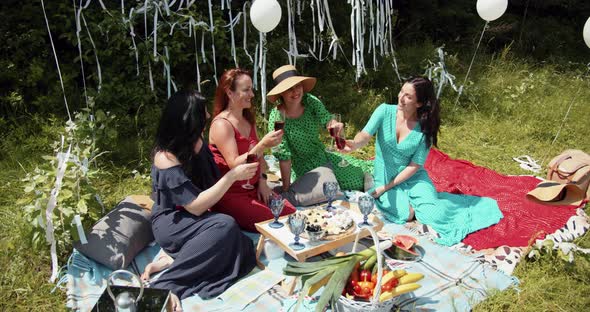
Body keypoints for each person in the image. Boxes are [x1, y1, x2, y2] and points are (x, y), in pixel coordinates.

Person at [341, 77, 503, 246]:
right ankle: (381, 187)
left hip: (412, 177)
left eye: (408, 96)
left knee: (433, 216)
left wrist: (384, 188)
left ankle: (436, 202)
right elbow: (365, 135)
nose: (400, 98)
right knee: (406, 214)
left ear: (419, 103)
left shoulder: (425, 127)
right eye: (401, 92)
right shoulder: (384, 111)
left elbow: (415, 166)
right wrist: (354, 144)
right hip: (386, 173)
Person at [150, 90, 257, 309]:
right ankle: (165, 285)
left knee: (240, 242)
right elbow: (196, 206)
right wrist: (232, 176)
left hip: (197, 215)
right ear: (191, 119)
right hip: (173, 221)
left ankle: (182, 257)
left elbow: (211, 182)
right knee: (225, 226)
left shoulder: (195, 141)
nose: (208, 115)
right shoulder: (165, 157)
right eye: (204, 112)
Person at [209, 68, 296, 232]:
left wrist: (263, 181)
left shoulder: (248, 119)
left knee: (291, 214)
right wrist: (262, 144)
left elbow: (260, 158)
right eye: (246, 90)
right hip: (230, 193)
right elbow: (235, 165)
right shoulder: (221, 124)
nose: (252, 95)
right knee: (276, 224)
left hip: (255, 187)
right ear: (229, 93)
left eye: (251, 89)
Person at [266, 65, 373, 192]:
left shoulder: (310, 101)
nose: (295, 92)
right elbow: (284, 156)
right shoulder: (277, 117)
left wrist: (334, 125)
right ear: (281, 93)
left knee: (358, 173)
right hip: (303, 166)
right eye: (289, 89)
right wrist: (286, 189)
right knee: (342, 185)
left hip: (322, 155)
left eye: (298, 86)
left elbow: (327, 119)